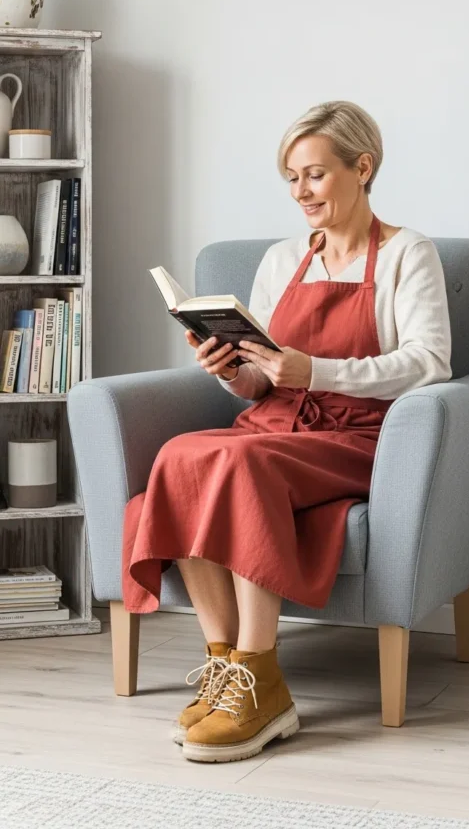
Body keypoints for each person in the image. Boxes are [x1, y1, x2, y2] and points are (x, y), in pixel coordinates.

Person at [122, 100, 452, 764]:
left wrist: (313, 369)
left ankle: (263, 677)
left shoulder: (407, 254)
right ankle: (226, 670)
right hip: (274, 421)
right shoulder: (281, 260)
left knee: (238, 467)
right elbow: (263, 378)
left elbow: (429, 361)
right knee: (183, 457)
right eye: (290, 178)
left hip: (354, 435)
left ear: (362, 167)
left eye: (315, 175)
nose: (300, 192)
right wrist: (231, 374)